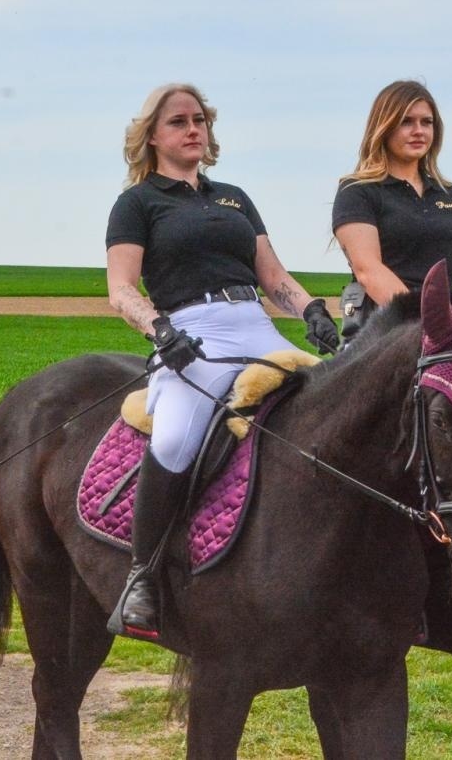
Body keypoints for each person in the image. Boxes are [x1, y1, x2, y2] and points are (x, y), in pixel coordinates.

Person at [105, 82, 339, 641]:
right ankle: (143, 577)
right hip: (190, 333)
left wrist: (310, 310)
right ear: (152, 137)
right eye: (179, 122)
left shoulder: (234, 197)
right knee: (177, 437)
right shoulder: (137, 204)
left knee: (335, 409)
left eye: (200, 121)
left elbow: (273, 276)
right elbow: (121, 289)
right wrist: (161, 332)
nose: (193, 130)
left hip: (255, 325)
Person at [332, 80, 452, 337]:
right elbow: (367, 270)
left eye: (426, 122)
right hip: (384, 331)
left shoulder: (451, 194)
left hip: (444, 325)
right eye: (406, 121)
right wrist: (428, 318)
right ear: (383, 126)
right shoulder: (358, 190)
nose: (418, 131)